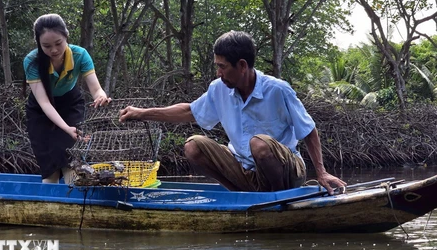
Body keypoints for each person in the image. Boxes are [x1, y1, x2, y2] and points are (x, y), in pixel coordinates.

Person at [119, 30, 346, 194]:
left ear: (243, 66)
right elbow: (189, 111)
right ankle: (237, 193)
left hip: (287, 172)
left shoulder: (278, 90)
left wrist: (322, 172)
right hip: (246, 171)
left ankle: (278, 200)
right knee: (193, 146)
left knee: (260, 144)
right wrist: (142, 113)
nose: (218, 73)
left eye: (222, 67)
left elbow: (309, 130)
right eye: (217, 66)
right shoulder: (218, 89)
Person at [23, 13, 111, 184]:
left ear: (66, 36)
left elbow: (96, 88)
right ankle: (50, 200)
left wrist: (101, 97)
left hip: (70, 104)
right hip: (41, 110)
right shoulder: (31, 61)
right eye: (46, 46)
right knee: (49, 164)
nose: (54, 50)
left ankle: (75, 199)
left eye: (58, 43)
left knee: (70, 158)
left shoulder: (80, 55)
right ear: (39, 44)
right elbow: (44, 103)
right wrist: (66, 128)